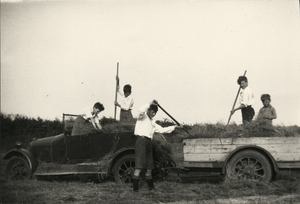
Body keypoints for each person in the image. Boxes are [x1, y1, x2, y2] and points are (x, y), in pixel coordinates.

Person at [132, 100, 181, 192]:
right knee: (139, 166)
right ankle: (135, 190)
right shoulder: (142, 117)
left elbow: (162, 129)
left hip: (149, 143)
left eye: (155, 113)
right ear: (148, 110)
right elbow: (140, 110)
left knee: (149, 167)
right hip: (141, 141)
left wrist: (175, 127)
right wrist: (150, 103)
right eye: (152, 111)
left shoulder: (153, 122)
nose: (153, 114)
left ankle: (151, 188)